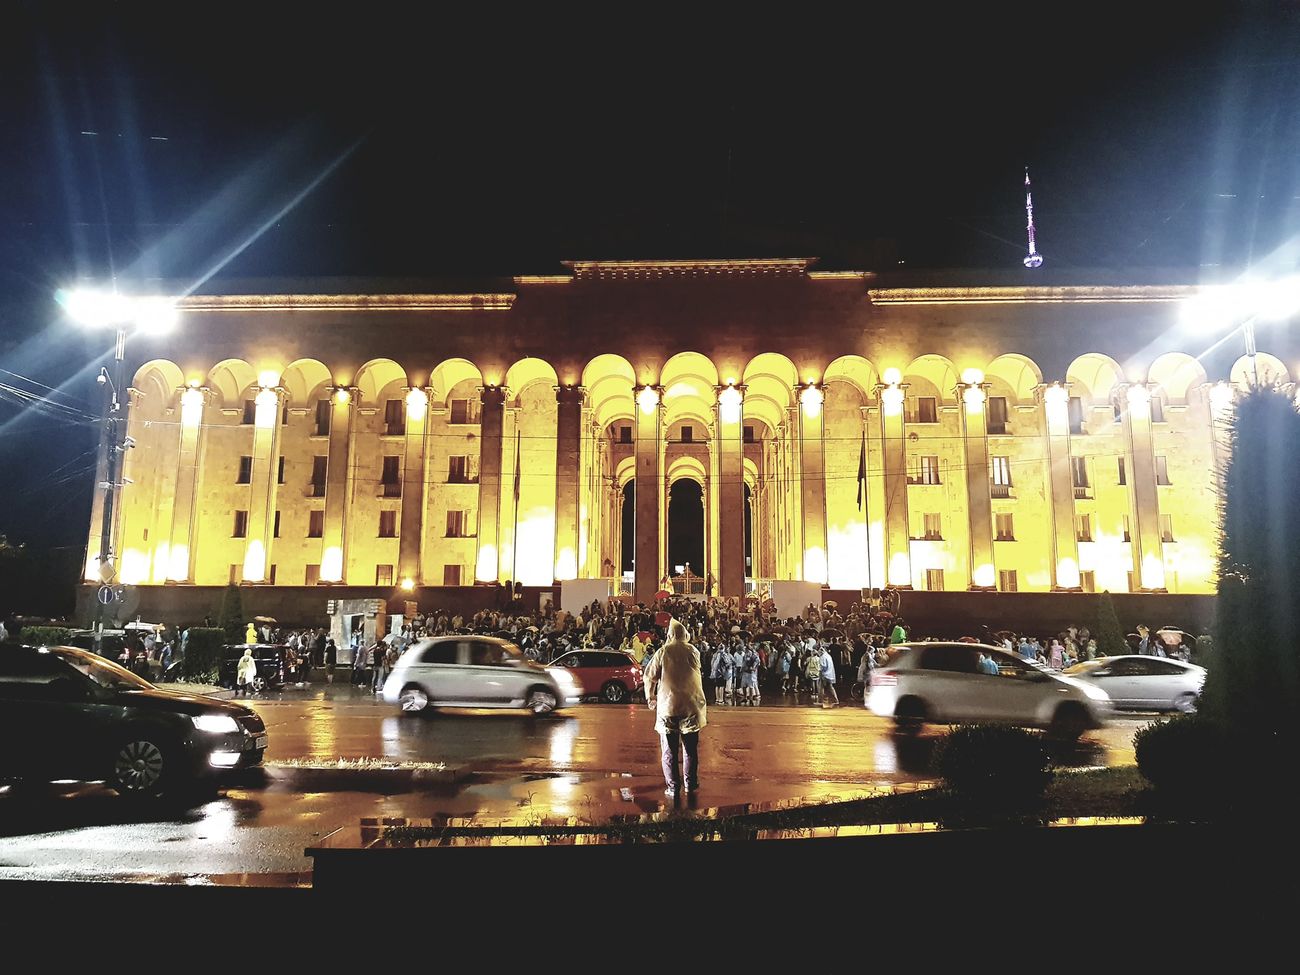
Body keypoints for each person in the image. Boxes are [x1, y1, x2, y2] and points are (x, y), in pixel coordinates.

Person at [642, 619, 707, 799]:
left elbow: (649, 676)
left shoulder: (663, 651)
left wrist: (650, 696)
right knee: (690, 749)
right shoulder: (693, 651)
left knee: (669, 751)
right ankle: (690, 784)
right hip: (691, 707)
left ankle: (673, 787)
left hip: (668, 707)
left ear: (670, 635)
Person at [818, 642, 839, 707]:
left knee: (821, 687)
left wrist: (820, 670)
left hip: (824, 674)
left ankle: (821, 700)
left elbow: (823, 666)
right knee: (830, 687)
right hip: (830, 674)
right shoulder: (828, 656)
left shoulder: (823, 657)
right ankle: (835, 699)